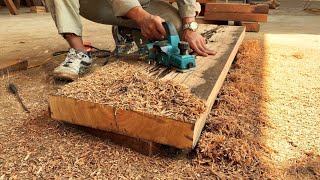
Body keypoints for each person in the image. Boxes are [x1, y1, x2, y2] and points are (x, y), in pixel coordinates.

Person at [45, 0, 215, 80]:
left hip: (143, 2)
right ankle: (79, 53)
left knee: (172, 28)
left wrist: (189, 26)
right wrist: (141, 17)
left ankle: (125, 28)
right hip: (96, 4)